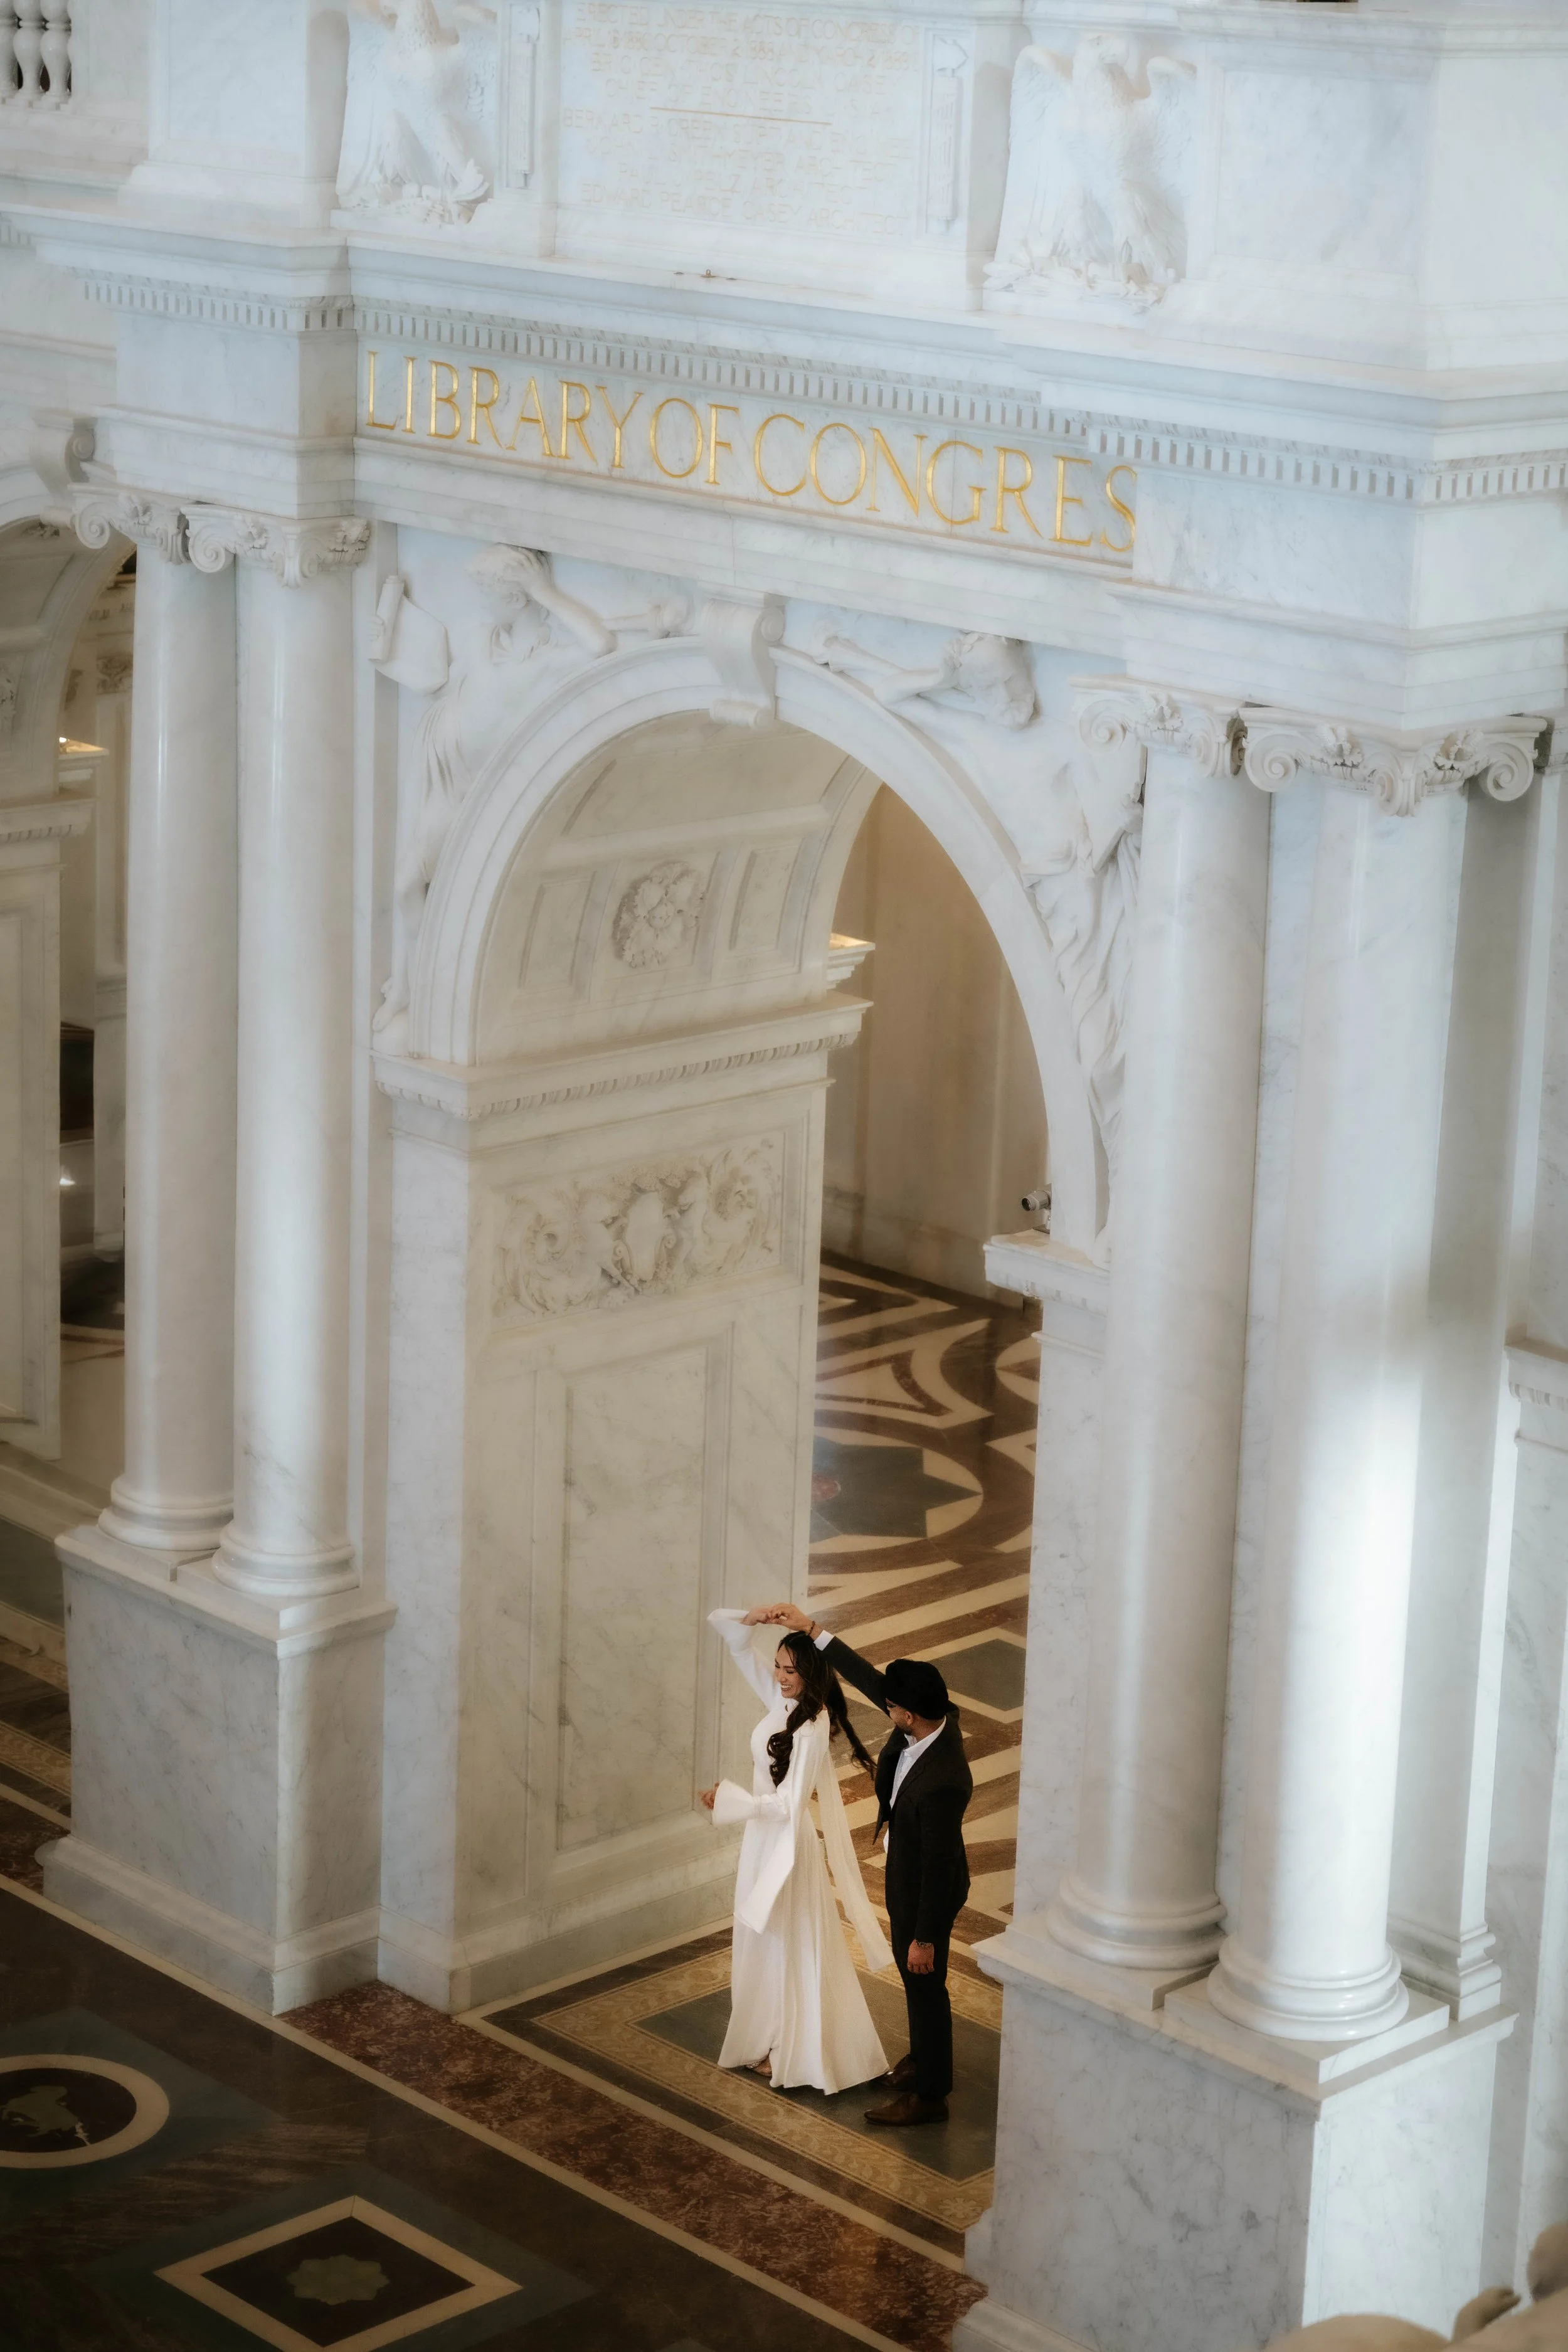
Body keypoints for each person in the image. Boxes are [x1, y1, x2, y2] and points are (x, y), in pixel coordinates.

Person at [760, 1601, 973, 2127]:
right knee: (914, 1980)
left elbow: (942, 1868)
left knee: (925, 1978)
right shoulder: (928, 1721)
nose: (886, 1708)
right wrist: (810, 1629)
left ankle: (931, 2095)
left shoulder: (944, 1780)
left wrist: (925, 1935)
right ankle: (922, 2060)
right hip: (907, 1870)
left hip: (928, 1888)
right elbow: (865, 1678)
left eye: (892, 1707)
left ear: (908, 1714)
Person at [699, 1608, 893, 2094]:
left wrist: (733, 1802)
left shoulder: (811, 1725)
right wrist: (756, 1619)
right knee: (760, 1940)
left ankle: (791, 2048)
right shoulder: (782, 1702)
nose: (781, 1677)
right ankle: (765, 2038)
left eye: (791, 1670)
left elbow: (788, 1806)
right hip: (761, 1840)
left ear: (811, 1675)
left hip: (786, 1843)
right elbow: (738, 1644)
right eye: (780, 1667)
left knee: (788, 1941)